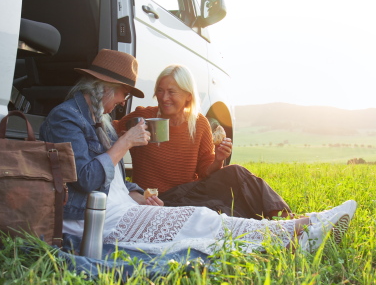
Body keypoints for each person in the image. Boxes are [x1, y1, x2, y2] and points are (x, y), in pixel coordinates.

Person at [40, 49, 357, 256]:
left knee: (216, 200)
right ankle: (293, 236)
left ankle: (299, 225)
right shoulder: (74, 118)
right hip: (108, 215)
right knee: (203, 221)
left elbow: (120, 182)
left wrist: (139, 193)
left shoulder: (106, 120)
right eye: (123, 93)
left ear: (187, 96)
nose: (123, 101)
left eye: (171, 92)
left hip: (139, 204)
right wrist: (127, 142)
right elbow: (86, 178)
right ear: (103, 87)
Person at [115, 65, 291, 220]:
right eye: (160, 90)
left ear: (188, 97)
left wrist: (218, 159)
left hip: (188, 194)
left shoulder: (199, 123)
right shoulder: (143, 117)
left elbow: (206, 171)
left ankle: (284, 218)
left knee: (237, 173)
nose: (163, 97)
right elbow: (109, 130)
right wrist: (126, 138)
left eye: (171, 92)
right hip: (156, 199)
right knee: (220, 209)